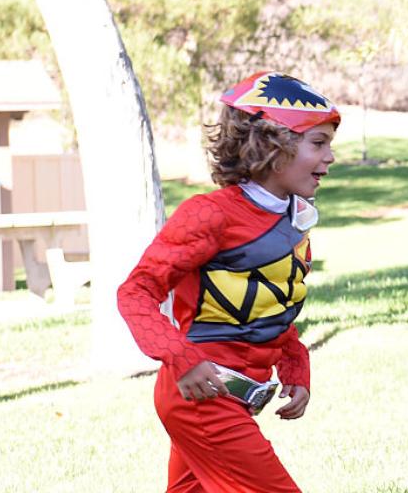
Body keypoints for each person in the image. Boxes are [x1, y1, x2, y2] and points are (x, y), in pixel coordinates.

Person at [118, 71, 339, 492]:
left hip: (232, 395)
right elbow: (137, 291)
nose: (330, 157)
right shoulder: (210, 214)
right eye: (318, 143)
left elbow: (266, 299)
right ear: (274, 144)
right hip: (202, 398)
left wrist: (294, 359)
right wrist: (179, 358)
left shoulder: (292, 216)